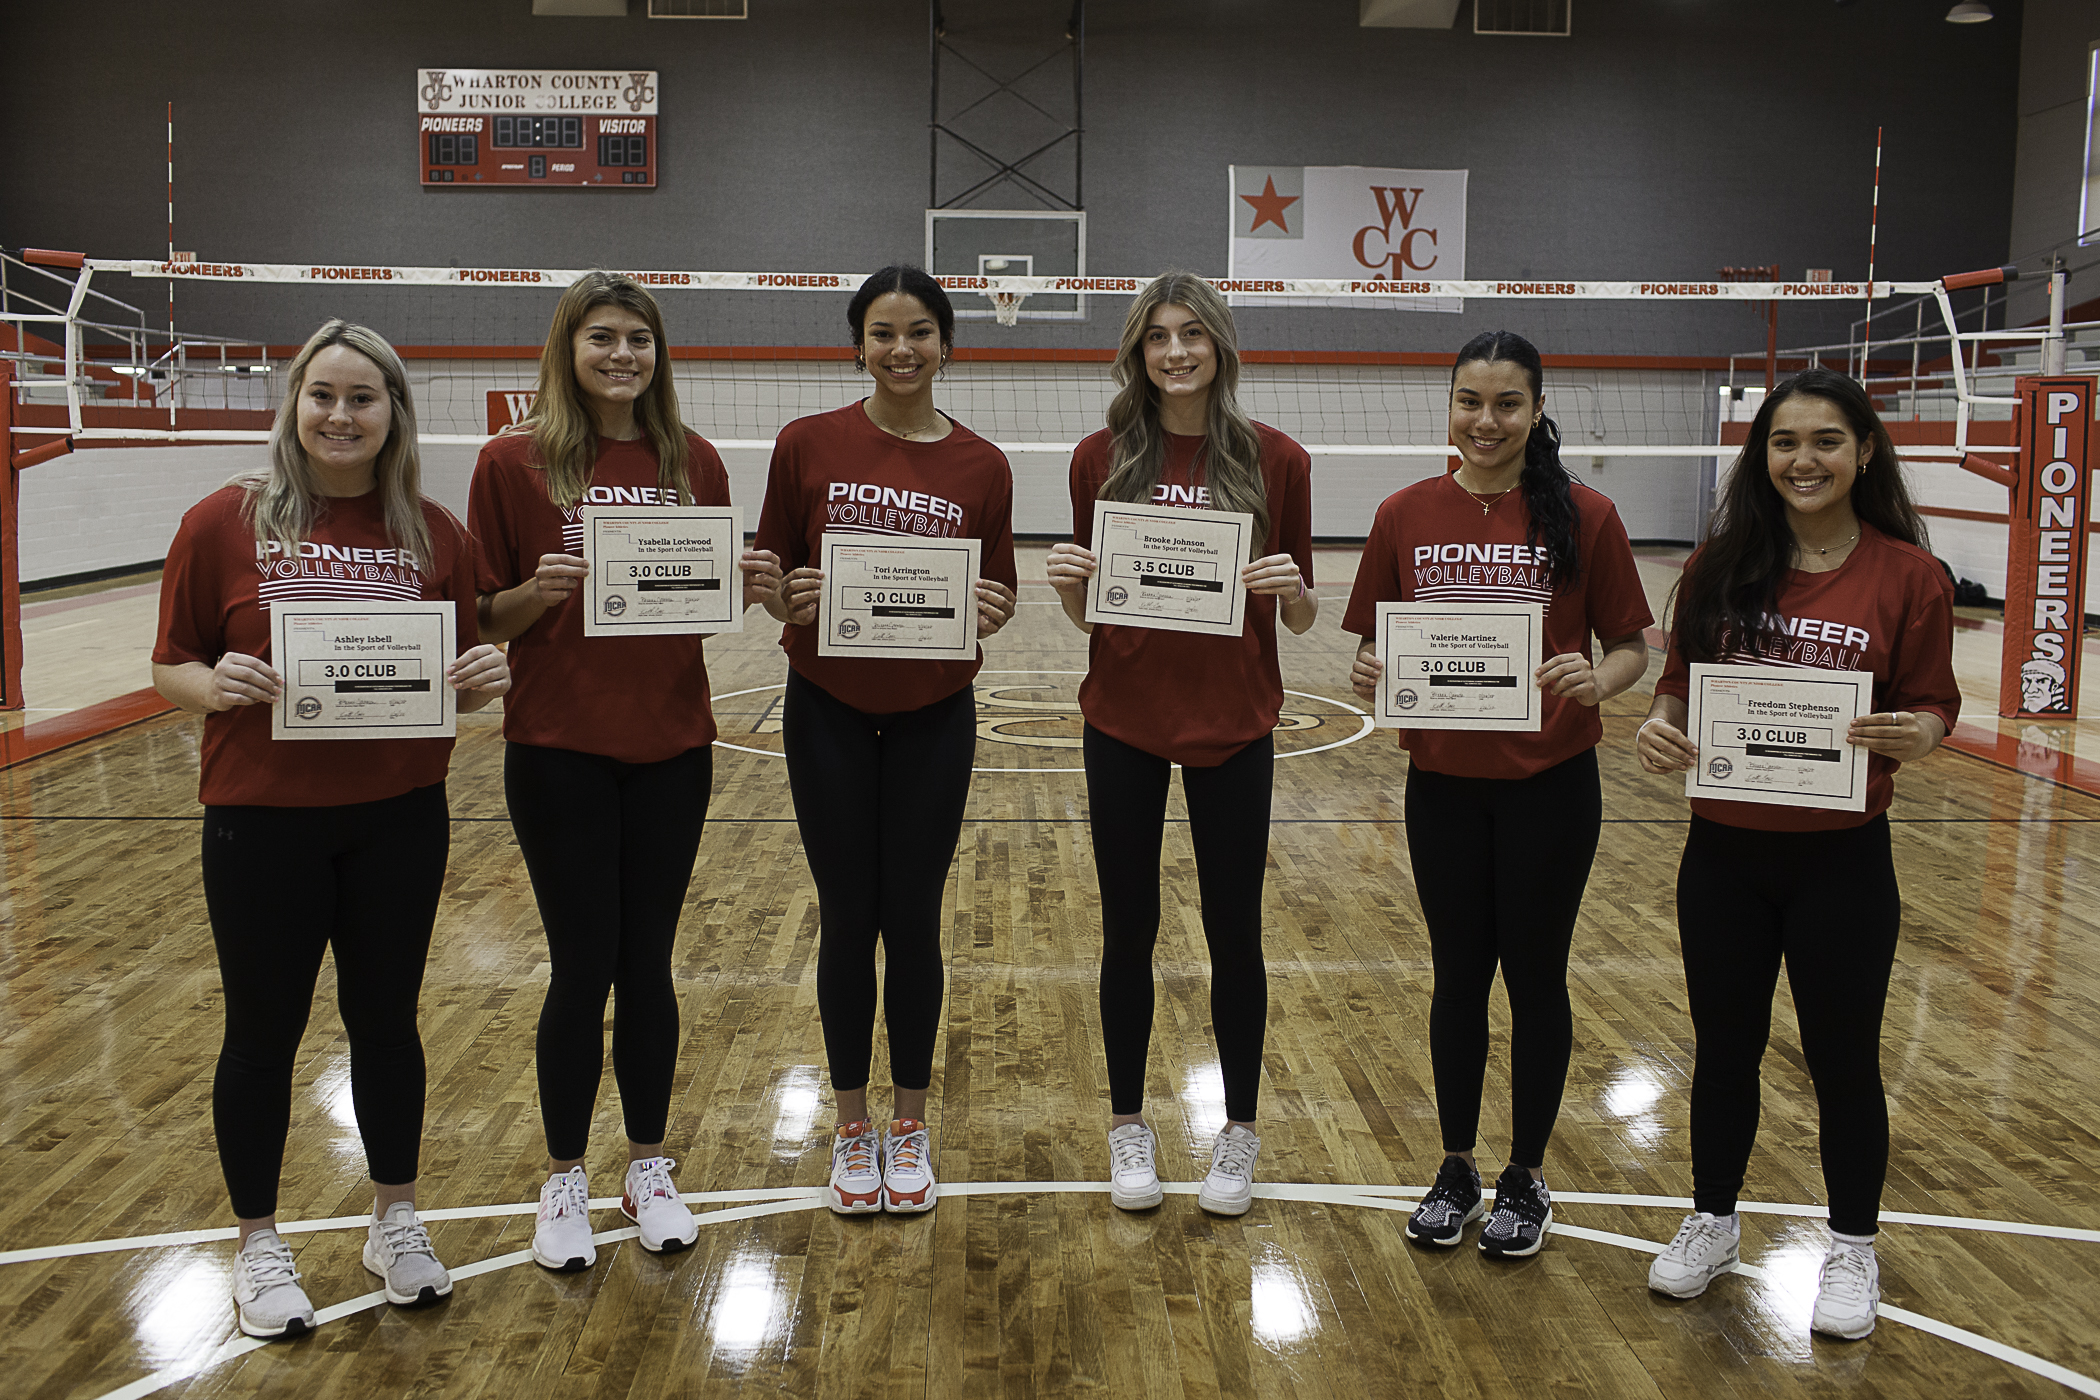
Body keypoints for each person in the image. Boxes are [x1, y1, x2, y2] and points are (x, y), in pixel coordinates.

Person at [151, 321, 511, 1339]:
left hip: (399, 815)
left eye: (363, 397)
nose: (341, 415)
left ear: (393, 411)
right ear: (294, 403)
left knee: (387, 1024)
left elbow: (465, 680)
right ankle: (258, 1240)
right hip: (260, 820)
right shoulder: (221, 522)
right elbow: (170, 662)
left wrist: (485, 679)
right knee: (262, 1034)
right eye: (324, 395)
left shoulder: (436, 532)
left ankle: (395, 1217)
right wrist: (209, 683)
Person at [1636, 367, 1958, 1340]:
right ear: (1761, 454)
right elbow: (1679, 683)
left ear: (1864, 450)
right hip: (1724, 854)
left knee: (1842, 1059)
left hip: (1843, 861)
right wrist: (1658, 724)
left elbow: (1937, 701)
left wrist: (1921, 735)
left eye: (1824, 441)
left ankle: (1853, 1242)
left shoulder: (1910, 575)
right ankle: (1714, 1217)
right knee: (1723, 1049)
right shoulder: (1718, 563)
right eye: (1784, 442)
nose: (1803, 459)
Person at [469, 272, 780, 1272]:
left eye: (637, 339)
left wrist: (733, 582)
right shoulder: (510, 462)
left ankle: (648, 1162)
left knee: (647, 961)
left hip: (673, 744)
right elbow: (482, 615)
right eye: (601, 336)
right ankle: (564, 1175)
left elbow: (700, 606)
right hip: (556, 745)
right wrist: (536, 590)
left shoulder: (694, 461)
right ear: (568, 347)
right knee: (579, 963)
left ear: (659, 354)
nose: (620, 355)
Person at [1343, 329, 1652, 1257]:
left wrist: (1603, 682)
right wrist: (1370, 669)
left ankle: (1525, 1175)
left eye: (1506, 404)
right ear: (1449, 407)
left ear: (1537, 410)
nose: (1486, 421)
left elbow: (1634, 644)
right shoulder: (1404, 513)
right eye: (1469, 402)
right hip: (1441, 788)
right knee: (1458, 978)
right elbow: (1370, 641)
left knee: (1536, 976)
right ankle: (1456, 1164)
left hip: (1550, 787)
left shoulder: (1587, 515)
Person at [1043, 272, 1316, 1216]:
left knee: (1235, 933)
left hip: (1235, 720)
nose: (1175, 352)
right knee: (1130, 928)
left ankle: (1237, 1131)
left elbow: (1308, 611)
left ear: (1220, 345)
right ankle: (1129, 1126)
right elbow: (1090, 617)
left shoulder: (1277, 458)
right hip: (1124, 718)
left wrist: (1291, 587)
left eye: (1192, 334)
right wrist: (1068, 582)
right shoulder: (1098, 457)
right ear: (1137, 352)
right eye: (1157, 336)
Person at [754, 265, 1017, 1215]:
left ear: (947, 343)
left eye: (918, 332)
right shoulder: (806, 443)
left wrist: (990, 609)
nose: (900, 349)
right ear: (857, 344)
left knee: (912, 915)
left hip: (933, 713)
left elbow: (997, 591)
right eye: (881, 333)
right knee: (846, 912)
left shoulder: (983, 466)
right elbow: (773, 569)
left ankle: (911, 1124)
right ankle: (852, 1126)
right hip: (825, 701)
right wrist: (778, 591)